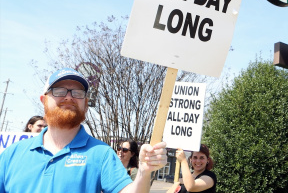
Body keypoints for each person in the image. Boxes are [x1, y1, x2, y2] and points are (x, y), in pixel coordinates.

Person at [0, 67, 167, 193]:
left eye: (77, 93)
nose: (69, 97)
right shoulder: (11, 155)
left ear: (86, 104)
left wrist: (144, 173)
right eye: (59, 91)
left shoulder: (102, 154)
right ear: (44, 100)